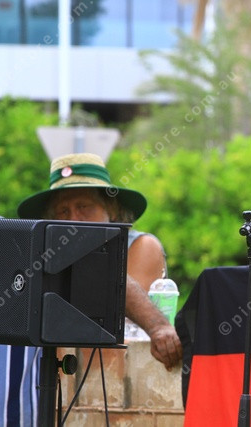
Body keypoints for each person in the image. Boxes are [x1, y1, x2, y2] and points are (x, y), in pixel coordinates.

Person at [17, 152, 182, 371]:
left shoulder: (142, 246)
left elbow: (126, 330)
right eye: (63, 211)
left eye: (83, 206)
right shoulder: (46, 256)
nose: (74, 219)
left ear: (111, 209)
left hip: (128, 376)